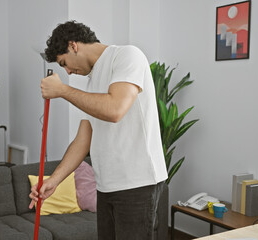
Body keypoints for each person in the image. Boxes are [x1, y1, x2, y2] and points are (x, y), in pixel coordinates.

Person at [29, 20, 168, 240]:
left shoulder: (127, 56)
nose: (68, 71)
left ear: (73, 45)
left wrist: (63, 90)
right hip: (106, 187)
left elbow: (115, 109)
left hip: (137, 184)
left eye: (64, 62)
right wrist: (53, 181)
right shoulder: (92, 82)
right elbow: (83, 139)